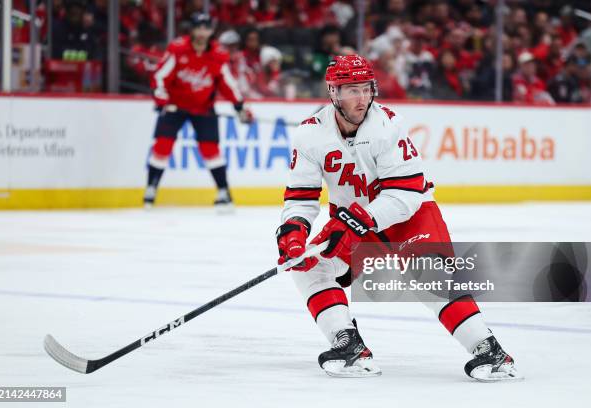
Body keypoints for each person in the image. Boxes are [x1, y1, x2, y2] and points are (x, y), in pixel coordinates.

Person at [275, 55, 521, 380]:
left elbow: (406, 194)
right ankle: (348, 347)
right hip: (355, 222)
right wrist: (293, 233)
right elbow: (301, 197)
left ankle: (491, 352)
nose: (362, 98)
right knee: (307, 264)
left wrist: (353, 221)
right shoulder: (309, 135)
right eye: (352, 90)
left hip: (409, 215)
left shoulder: (388, 124)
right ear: (333, 93)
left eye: (366, 89)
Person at [144, 13, 253, 210]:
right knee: (162, 145)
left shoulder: (218, 55)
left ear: (211, 31)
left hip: (203, 108)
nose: (202, 32)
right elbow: (160, 76)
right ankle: (151, 188)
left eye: (206, 28)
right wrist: (161, 99)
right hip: (174, 106)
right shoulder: (178, 49)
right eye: (199, 28)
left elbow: (228, 84)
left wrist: (239, 106)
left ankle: (223, 192)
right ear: (192, 30)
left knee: (210, 149)